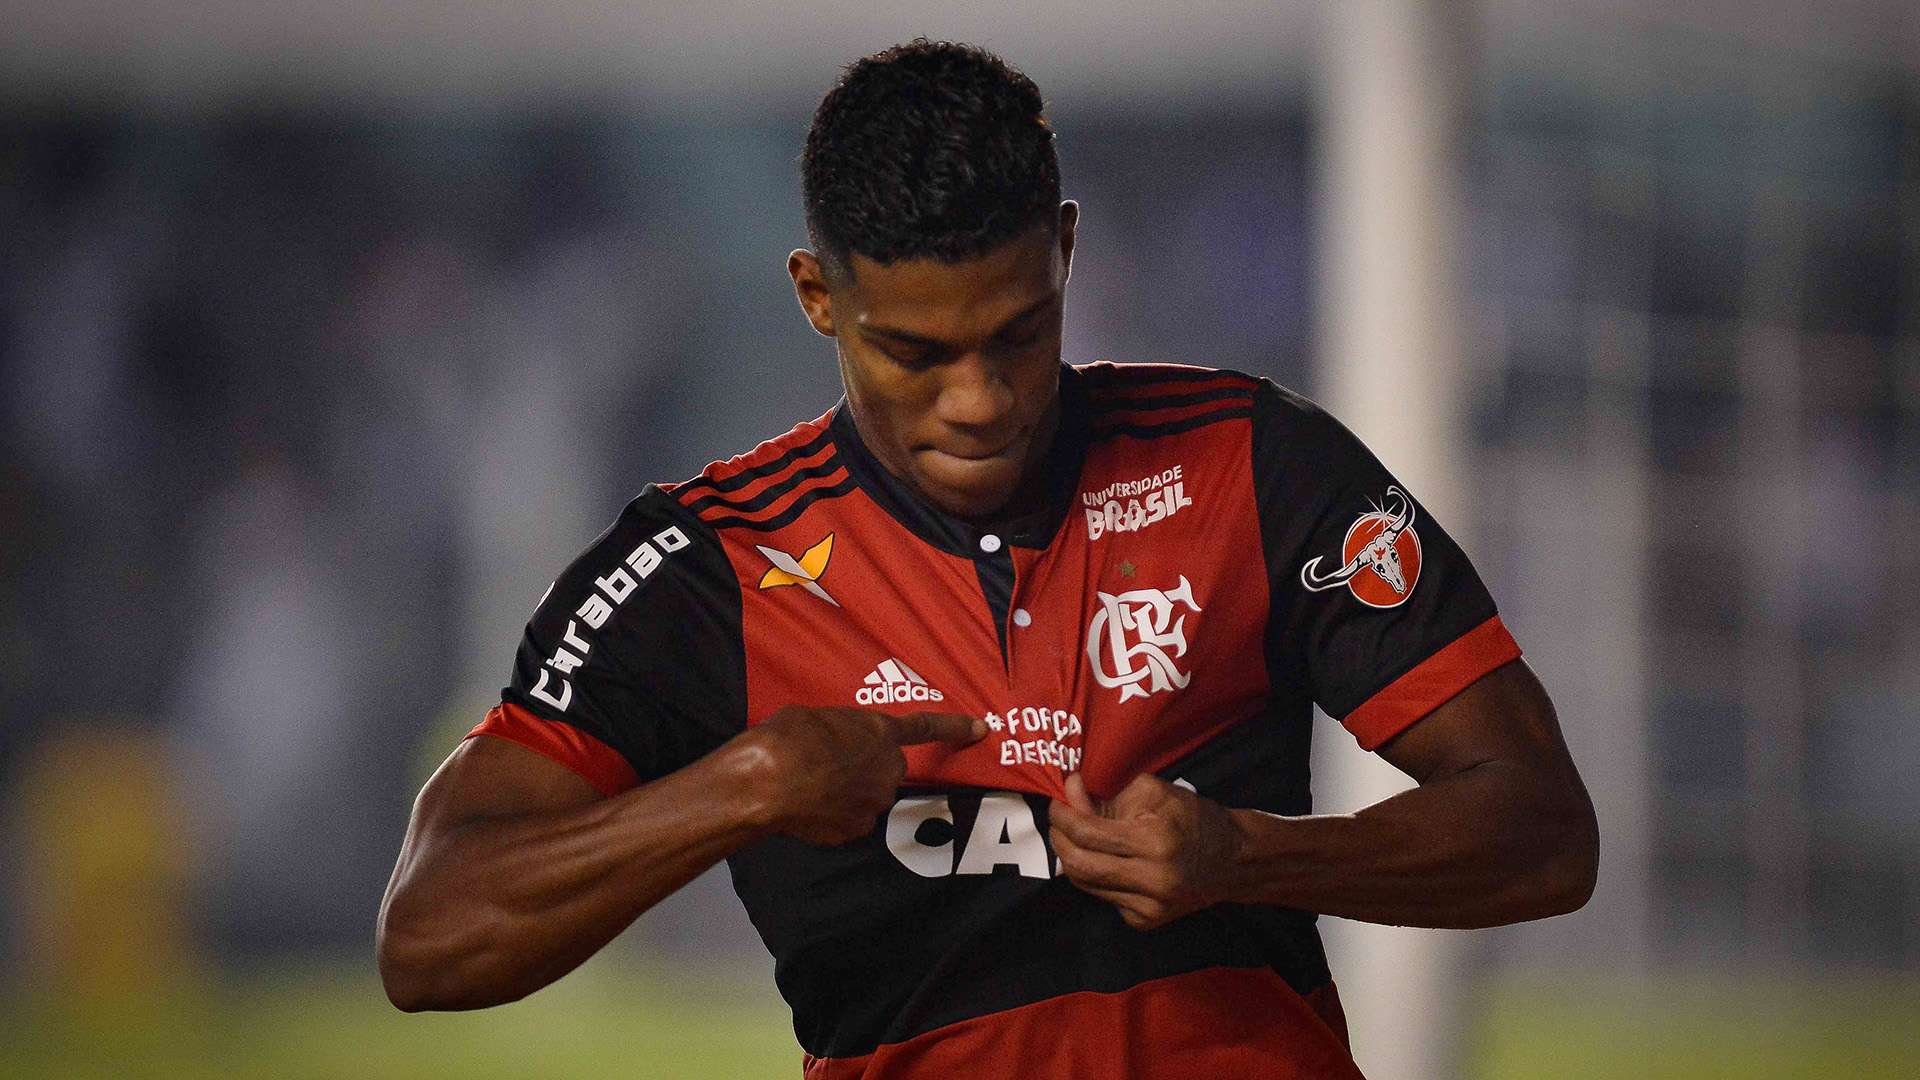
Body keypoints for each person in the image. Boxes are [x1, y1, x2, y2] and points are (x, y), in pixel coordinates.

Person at [376, 38, 1598, 1079]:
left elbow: (1545, 828)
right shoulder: (701, 568)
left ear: (1065, 248)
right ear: (817, 296)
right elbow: (429, 939)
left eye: (1021, 333)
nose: (982, 400)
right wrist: (739, 786)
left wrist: (1256, 856)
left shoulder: (1251, 463)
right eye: (916, 353)